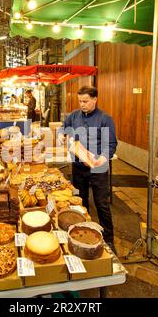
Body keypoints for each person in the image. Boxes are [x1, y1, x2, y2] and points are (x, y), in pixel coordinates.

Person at [60, 86, 118, 252]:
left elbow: (111, 144)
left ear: (95, 99)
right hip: (78, 167)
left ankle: (109, 239)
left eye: (85, 101)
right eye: (80, 101)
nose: (82, 104)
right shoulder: (74, 115)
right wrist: (62, 136)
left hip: (97, 167)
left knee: (102, 203)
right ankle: (81, 236)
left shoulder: (105, 119)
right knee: (80, 201)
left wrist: (102, 158)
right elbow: (64, 129)